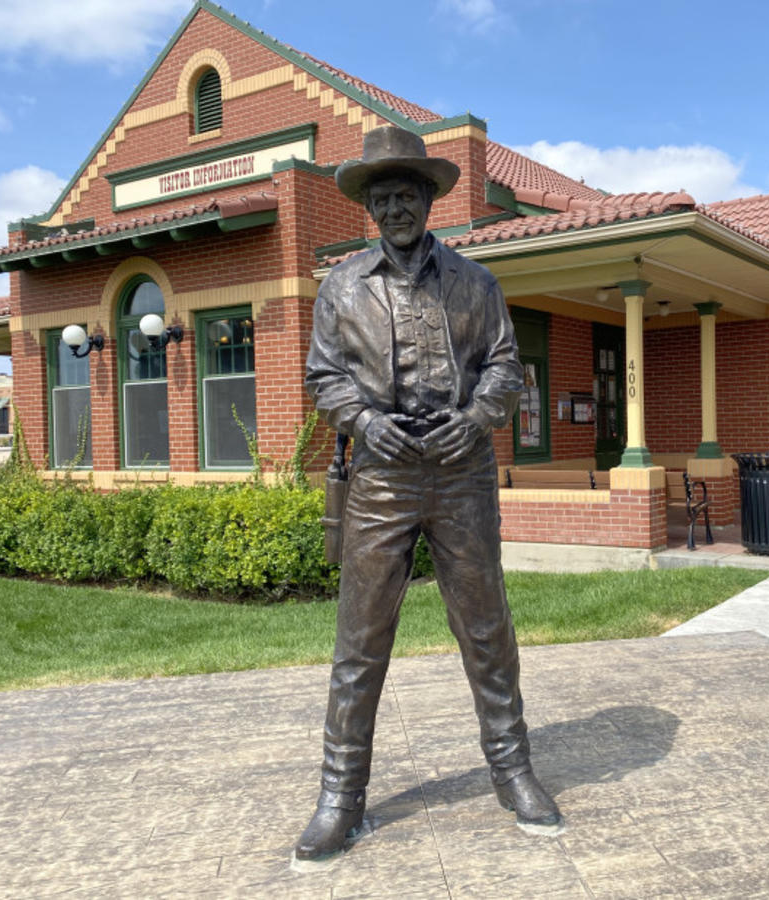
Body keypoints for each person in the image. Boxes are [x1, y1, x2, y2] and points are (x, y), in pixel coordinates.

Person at [296, 125, 563, 861]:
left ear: (427, 200)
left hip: (461, 473)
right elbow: (323, 375)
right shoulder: (341, 287)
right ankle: (340, 797)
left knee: (486, 628)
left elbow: (507, 368)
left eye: (405, 194)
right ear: (371, 208)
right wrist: (362, 420)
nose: (394, 207)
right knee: (361, 637)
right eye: (381, 197)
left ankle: (513, 771)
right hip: (382, 477)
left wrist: (478, 418)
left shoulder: (476, 283)